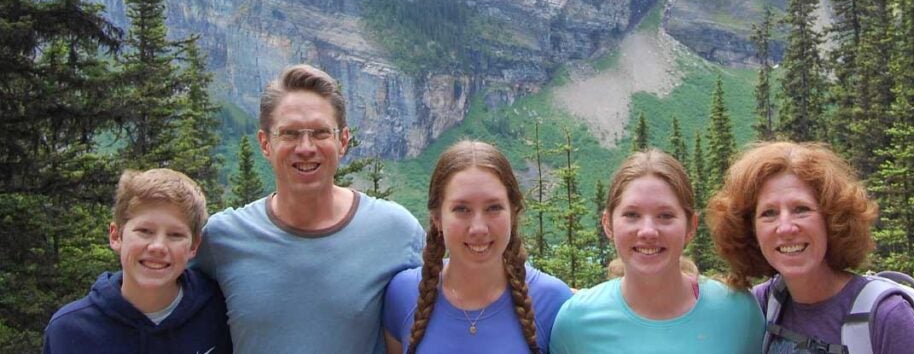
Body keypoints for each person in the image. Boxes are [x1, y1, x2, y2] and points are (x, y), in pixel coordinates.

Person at [193, 64, 424, 353]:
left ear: (343, 141)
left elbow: (452, 309)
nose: (305, 147)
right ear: (265, 144)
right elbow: (159, 300)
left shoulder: (397, 232)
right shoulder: (222, 239)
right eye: (289, 133)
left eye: (320, 132)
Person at [706, 141, 914, 353]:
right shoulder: (761, 306)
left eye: (801, 209)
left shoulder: (888, 318)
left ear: (832, 220)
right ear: (751, 229)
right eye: (769, 213)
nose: (785, 228)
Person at [549, 149, 764, 353]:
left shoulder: (739, 314)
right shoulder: (576, 322)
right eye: (632, 215)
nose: (648, 231)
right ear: (608, 224)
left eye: (665, 216)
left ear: (691, 226)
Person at [384, 140, 572, 353]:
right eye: (462, 209)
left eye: (493, 208)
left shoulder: (552, 301)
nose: (478, 228)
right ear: (437, 218)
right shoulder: (403, 295)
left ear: (513, 213)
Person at [43, 168, 231, 353]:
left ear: (194, 246)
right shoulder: (69, 331)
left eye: (175, 235)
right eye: (144, 231)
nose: (158, 246)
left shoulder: (221, 312)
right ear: (116, 236)